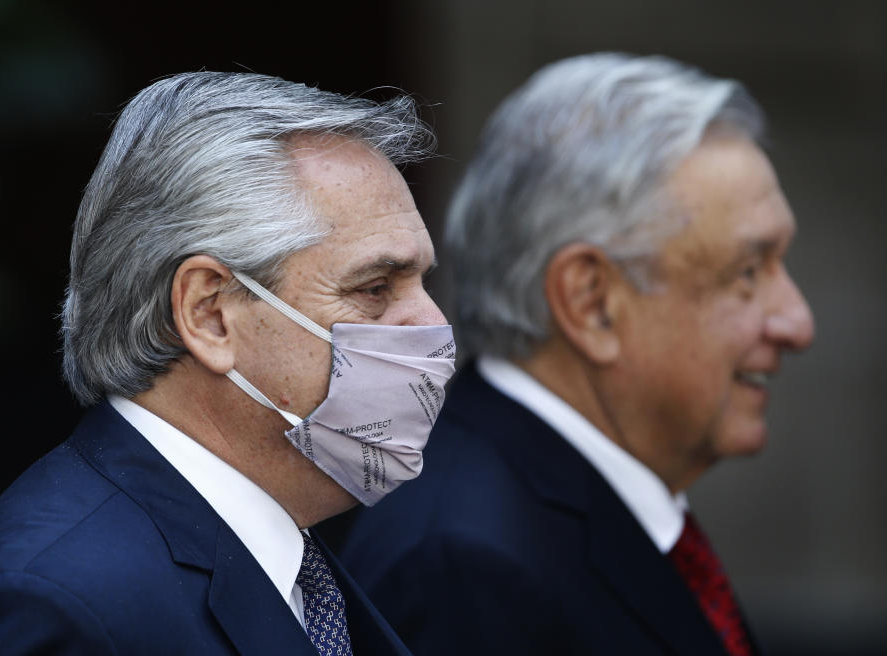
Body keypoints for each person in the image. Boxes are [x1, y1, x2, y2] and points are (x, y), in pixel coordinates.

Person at [0, 71, 456, 655]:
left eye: (421, 283)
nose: (433, 326)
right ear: (209, 314)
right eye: (376, 287)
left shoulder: (287, 554)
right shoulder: (54, 601)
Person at [340, 53, 814, 655]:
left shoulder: (546, 512)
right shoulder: (465, 568)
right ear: (592, 302)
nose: (797, 323)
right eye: (747, 271)